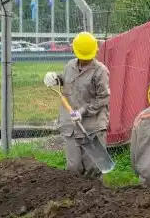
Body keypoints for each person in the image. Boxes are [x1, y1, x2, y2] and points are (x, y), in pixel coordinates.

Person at [43, 31, 110, 179]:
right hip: (71, 127)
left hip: (92, 127)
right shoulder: (69, 66)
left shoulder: (100, 71)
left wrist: (83, 111)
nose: (84, 61)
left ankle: (96, 199)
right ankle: (74, 201)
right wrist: (55, 79)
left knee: (94, 169)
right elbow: (66, 80)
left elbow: (103, 98)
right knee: (73, 169)